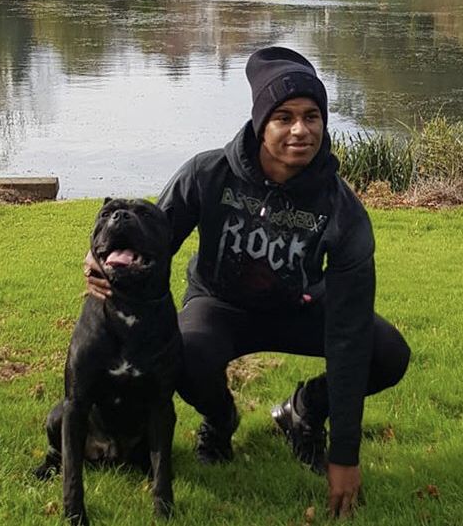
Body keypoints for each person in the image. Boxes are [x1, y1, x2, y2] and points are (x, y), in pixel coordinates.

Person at [85, 47, 410, 517]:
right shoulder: (207, 174)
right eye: (284, 117)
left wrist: (345, 454)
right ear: (262, 124)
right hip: (220, 305)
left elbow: (350, 331)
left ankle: (303, 411)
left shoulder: (341, 208)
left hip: (299, 307)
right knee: (183, 354)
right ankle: (220, 422)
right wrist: (99, 256)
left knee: (386, 352)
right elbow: (149, 237)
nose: (300, 130)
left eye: (311, 116)